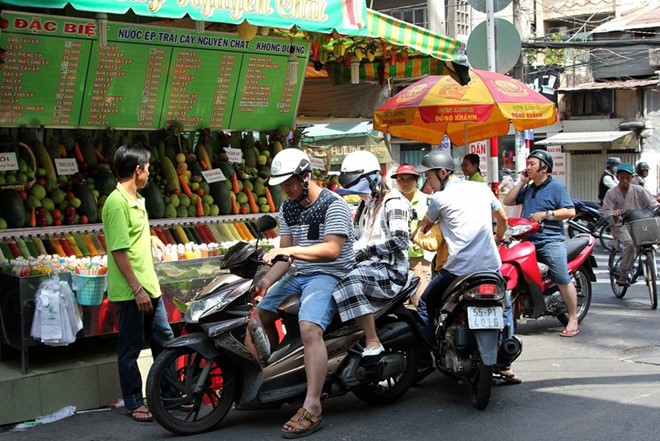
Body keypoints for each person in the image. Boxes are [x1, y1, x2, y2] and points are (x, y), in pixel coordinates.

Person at [249, 148, 355, 438]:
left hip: (329, 273)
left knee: (309, 328)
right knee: (260, 312)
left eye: (290, 183)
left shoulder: (334, 205)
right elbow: (285, 258)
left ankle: (313, 405)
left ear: (306, 177)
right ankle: (274, 374)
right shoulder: (288, 208)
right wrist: (266, 281)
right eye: (282, 184)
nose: (286, 189)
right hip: (300, 274)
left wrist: (290, 250)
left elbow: (332, 250)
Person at [414, 151, 518, 383]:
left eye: (429, 178)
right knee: (506, 308)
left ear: (443, 173)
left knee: (424, 304)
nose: (427, 184)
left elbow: (424, 228)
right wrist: (499, 238)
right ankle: (505, 362)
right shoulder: (481, 189)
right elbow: (502, 219)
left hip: (457, 270)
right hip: (490, 267)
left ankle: (424, 361)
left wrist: (420, 228)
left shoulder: (439, 199)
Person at [102, 144, 173, 422]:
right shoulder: (116, 202)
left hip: (149, 286)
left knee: (165, 341)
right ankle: (133, 401)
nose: (149, 172)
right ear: (137, 170)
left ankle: (167, 394)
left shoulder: (138, 200)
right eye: (148, 167)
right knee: (131, 347)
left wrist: (151, 237)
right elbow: (118, 251)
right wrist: (137, 289)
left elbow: (131, 238)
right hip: (133, 291)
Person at [332, 151, 411, 358]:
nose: (358, 193)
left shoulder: (394, 201)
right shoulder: (365, 204)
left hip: (390, 271)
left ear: (375, 178)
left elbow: (400, 240)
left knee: (348, 283)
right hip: (369, 266)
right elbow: (356, 236)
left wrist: (367, 250)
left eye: (360, 187)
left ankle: (372, 340)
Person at [503, 149, 580, 338]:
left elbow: (570, 211)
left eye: (532, 164)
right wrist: (521, 181)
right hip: (527, 241)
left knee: (561, 276)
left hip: (550, 241)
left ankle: (572, 318)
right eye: (527, 164)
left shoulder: (556, 188)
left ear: (544, 168)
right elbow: (508, 200)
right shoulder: (528, 188)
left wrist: (546, 215)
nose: (528, 167)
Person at [601, 163, 659, 286]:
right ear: (617, 177)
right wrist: (614, 213)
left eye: (628, 178)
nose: (625, 181)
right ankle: (623, 273)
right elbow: (606, 211)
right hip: (621, 225)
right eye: (622, 178)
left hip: (640, 223)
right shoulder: (611, 193)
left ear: (632, 177)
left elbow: (653, 203)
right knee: (630, 244)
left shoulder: (639, 190)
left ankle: (649, 266)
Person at [391, 163, 431, 306]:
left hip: (419, 259)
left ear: (417, 180)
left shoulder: (428, 201)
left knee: (419, 301)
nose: (405, 183)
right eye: (401, 179)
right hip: (395, 260)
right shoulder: (391, 201)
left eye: (409, 179)